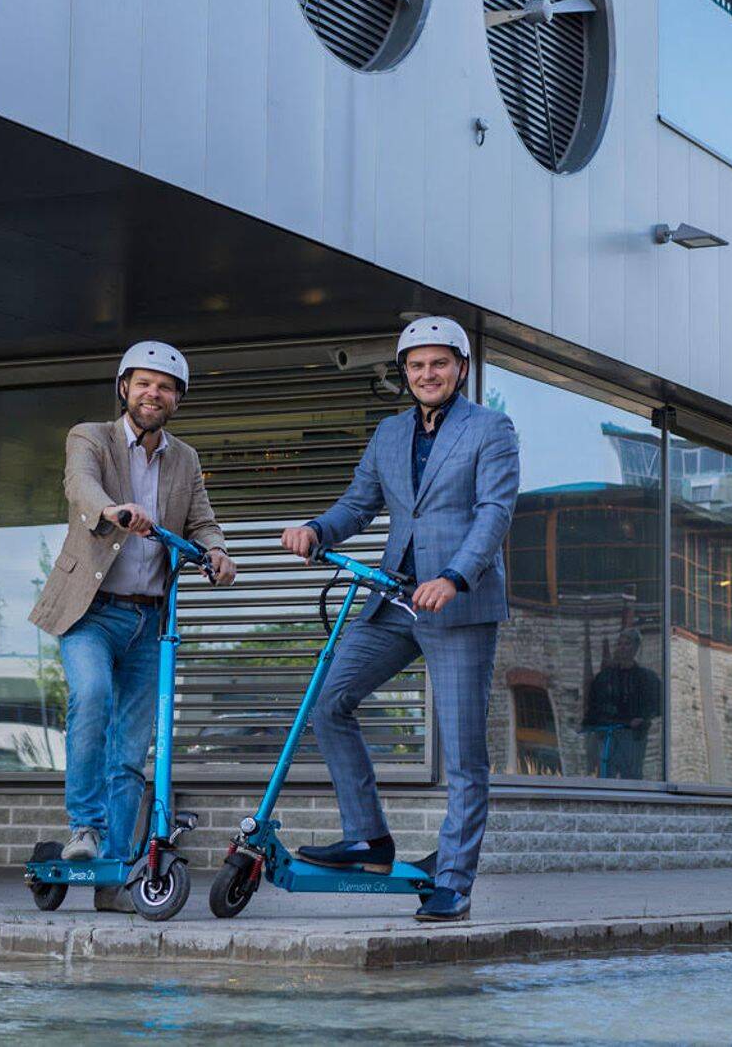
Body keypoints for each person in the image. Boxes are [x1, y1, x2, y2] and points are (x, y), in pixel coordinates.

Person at [280, 316, 519, 923]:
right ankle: (368, 839)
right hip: (392, 598)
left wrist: (455, 576)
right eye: (416, 365)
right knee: (328, 702)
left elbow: (494, 512)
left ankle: (455, 880)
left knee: (464, 753)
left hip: (459, 603)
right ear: (404, 373)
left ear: (460, 368)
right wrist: (315, 529)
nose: (427, 374)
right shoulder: (389, 433)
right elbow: (359, 504)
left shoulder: (490, 429)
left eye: (438, 363)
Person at [26, 341, 235, 909]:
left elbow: (202, 520)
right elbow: (81, 487)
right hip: (90, 612)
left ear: (177, 400)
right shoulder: (89, 437)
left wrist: (216, 552)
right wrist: (116, 510)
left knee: (132, 748)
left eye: (165, 387)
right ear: (124, 388)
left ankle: (116, 869)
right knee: (91, 696)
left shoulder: (184, 459)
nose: (154, 394)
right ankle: (86, 829)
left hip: (150, 620)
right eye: (144, 383)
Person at [582, 630, 662, 780]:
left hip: (632, 737)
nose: (623, 648)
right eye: (620, 644)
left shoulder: (647, 678)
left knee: (631, 776)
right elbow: (593, 705)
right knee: (606, 774)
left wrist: (642, 718)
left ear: (636, 647)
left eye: (627, 644)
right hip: (608, 734)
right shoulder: (605, 677)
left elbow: (657, 704)